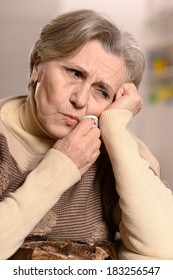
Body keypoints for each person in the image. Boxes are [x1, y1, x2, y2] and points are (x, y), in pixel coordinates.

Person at [0, 9, 173, 260]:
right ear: (38, 65)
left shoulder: (121, 152)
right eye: (74, 73)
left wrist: (115, 131)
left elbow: (165, 254)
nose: (79, 99)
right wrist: (60, 168)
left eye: (102, 91)